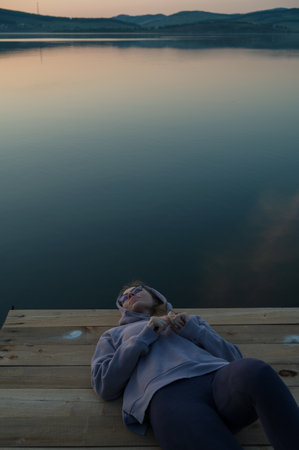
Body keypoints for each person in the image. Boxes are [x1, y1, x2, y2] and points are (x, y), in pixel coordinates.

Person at [91, 281, 299, 450]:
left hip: (218, 378)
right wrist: (142, 339)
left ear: (154, 295)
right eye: (124, 297)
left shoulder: (190, 321)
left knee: (255, 370)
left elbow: (234, 358)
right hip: (167, 394)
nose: (131, 295)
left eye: (137, 290)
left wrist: (195, 331)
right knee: (178, 420)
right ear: (122, 308)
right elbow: (104, 386)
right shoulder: (113, 335)